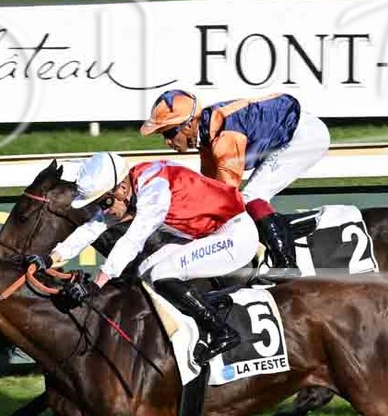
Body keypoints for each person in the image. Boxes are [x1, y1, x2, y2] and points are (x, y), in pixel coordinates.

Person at [44, 151, 254, 364]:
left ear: (121, 189)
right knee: (144, 272)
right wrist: (51, 258)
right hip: (207, 234)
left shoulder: (154, 191)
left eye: (104, 203)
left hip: (234, 236)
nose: (103, 210)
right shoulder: (131, 186)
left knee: (162, 274)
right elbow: (93, 227)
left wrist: (96, 284)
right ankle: (195, 313)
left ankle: (223, 332)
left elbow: (132, 240)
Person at [139, 89, 330, 274]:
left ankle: (286, 264)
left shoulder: (225, 139)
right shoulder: (206, 135)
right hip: (293, 129)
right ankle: (281, 230)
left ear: (188, 126)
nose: (167, 142)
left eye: (169, 133)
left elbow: (227, 197)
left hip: (304, 137)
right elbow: (210, 188)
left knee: (250, 197)